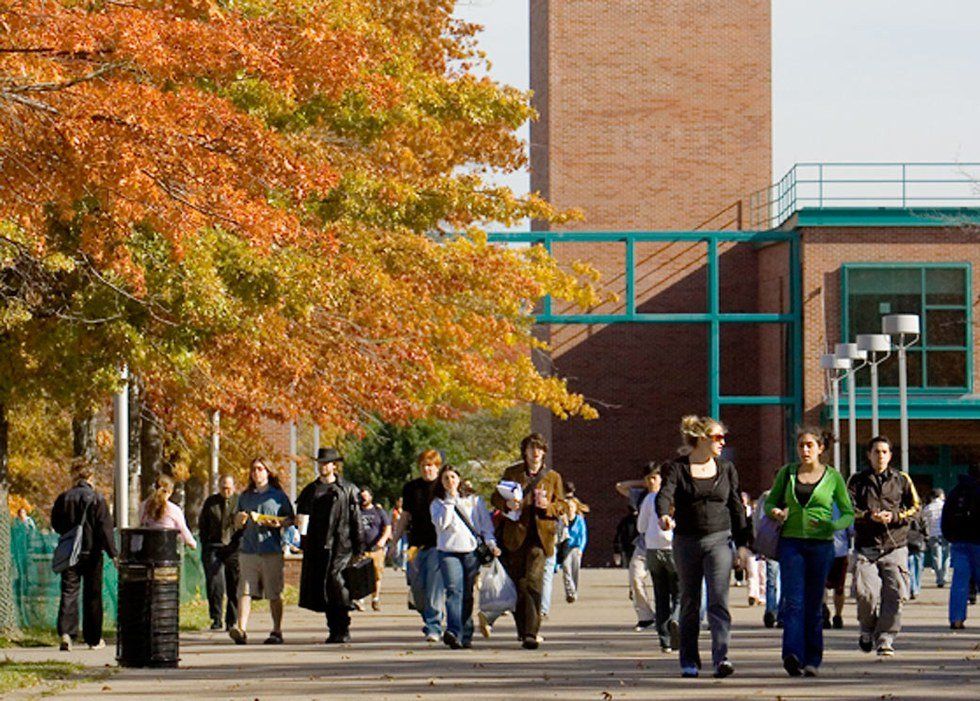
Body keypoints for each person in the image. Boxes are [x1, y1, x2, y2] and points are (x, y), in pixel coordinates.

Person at [656, 415, 752, 679]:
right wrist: (664, 515)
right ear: (702, 439)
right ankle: (689, 660)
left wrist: (743, 545)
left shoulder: (727, 469)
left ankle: (721, 657)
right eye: (718, 437)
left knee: (718, 600)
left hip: (719, 540)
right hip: (686, 541)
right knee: (690, 601)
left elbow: (736, 507)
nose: (723, 442)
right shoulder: (677, 468)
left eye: (723, 437)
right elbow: (665, 494)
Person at [766, 428, 854, 677]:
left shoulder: (833, 477)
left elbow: (848, 513)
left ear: (820, 448)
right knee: (793, 602)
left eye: (809, 446)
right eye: (801, 445)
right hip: (791, 544)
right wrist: (775, 512)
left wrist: (833, 526)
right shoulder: (788, 473)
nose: (804, 450)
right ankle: (792, 655)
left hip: (821, 546)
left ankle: (813, 659)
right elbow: (771, 502)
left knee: (814, 604)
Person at [491, 432, 566, 650]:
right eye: (531, 448)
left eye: (539, 449)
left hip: (541, 537)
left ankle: (532, 632)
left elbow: (561, 505)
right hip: (515, 535)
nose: (535, 453)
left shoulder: (553, 477)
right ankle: (523, 630)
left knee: (534, 580)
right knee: (520, 584)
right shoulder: (512, 473)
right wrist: (508, 505)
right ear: (524, 452)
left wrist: (548, 507)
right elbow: (495, 497)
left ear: (544, 452)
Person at [848, 435, 920, 658]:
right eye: (876, 452)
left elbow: (916, 507)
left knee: (895, 593)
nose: (880, 456)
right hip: (866, 546)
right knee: (865, 592)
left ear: (890, 455)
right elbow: (847, 508)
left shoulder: (902, 479)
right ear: (868, 455)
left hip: (894, 545)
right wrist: (869, 516)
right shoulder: (857, 480)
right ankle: (867, 630)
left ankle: (885, 638)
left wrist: (896, 516)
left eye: (884, 452)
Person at [296, 447, 363, 643]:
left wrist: (359, 548)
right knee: (324, 588)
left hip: (342, 546)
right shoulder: (310, 490)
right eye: (321, 463)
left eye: (327, 463)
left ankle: (343, 626)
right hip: (318, 546)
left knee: (338, 584)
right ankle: (334, 628)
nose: (323, 466)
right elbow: (302, 518)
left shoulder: (348, 489)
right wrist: (302, 540)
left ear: (335, 465)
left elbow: (356, 519)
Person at [430, 465, 500, 649]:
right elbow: (442, 524)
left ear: (459, 479)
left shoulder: (474, 501)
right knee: (454, 591)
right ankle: (453, 631)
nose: (450, 481)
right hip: (448, 551)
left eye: (453, 477)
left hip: (470, 551)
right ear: (441, 482)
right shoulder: (438, 503)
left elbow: (485, 526)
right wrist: (450, 502)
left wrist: (491, 544)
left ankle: (466, 633)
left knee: (467, 593)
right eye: (446, 478)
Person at [51, 458, 117, 652]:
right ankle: (93, 638)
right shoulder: (97, 498)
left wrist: (69, 533)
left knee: (69, 591)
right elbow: (105, 529)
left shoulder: (64, 498)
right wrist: (113, 553)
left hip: (70, 552)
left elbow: (56, 523)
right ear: (90, 476)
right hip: (92, 552)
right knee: (93, 595)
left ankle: (66, 633)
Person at [229, 458, 294, 645]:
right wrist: (238, 520)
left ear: (268, 472)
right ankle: (241, 629)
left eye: (260, 469)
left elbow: (290, 519)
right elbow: (236, 522)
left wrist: (279, 522)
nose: (256, 473)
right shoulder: (245, 496)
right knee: (244, 590)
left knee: (274, 592)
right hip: (248, 549)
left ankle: (276, 630)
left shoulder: (278, 496)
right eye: (253, 469)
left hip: (271, 549)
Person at [393, 449, 445, 642]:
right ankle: (432, 618)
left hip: (438, 545)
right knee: (417, 589)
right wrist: (394, 541)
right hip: (415, 546)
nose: (426, 469)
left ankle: (433, 626)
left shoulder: (443, 486)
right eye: (423, 466)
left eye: (430, 466)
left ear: (437, 467)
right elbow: (405, 517)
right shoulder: (411, 488)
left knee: (433, 587)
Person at [637, 462, 680, 652]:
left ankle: (665, 639)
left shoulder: (649, 499)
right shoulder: (675, 498)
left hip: (653, 549)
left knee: (661, 595)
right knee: (678, 593)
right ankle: (676, 620)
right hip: (672, 548)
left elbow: (640, 527)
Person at [198, 474, 240, 631]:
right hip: (214, 546)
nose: (226, 491)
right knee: (216, 583)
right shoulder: (211, 503)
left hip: (233, 548)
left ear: (233, 487)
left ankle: (232, 620)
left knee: (234, 584)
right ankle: (216, 618)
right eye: (223, 488)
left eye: (229, 488)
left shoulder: (239, 502)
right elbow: (203, 525)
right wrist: (206, 543)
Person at [942, 462, 980, 629]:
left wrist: (951, 536)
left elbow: (946, 516)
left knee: (960, 581)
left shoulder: (956, 491)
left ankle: (956, 619)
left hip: (960, 542)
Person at [139, 474, 197, 549]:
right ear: (170, 491)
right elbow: (183, 531)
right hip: (167, 552)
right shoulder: (174, 510)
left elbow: (141, 523)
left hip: (147, 551)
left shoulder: (143, 506)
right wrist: (193, 544)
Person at [358, 486, 391, 611]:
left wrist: (382, 540)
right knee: (361, 575)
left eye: (366, 496)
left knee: (376, 575)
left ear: (371, 497)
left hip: (376, 549)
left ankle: (375, 598)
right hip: (361, 549)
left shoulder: (378, 512)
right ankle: (360, 600)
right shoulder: (356, 511)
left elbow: (387, 527)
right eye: (362, 497)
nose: (364, 499)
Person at [560, 483, 589, 604]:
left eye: (572, 507)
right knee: (566, 569)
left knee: (575, 571)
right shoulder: (563, 519)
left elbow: (583, 536)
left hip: (576, 548)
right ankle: (570, 592)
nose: (570, 510)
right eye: (568, 508)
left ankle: (574, 591)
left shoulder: (580, 520)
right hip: (566, 547)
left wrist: (581, 549)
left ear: (576, 508)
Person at [924, 488, 950, 587]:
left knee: (936, 557)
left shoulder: (928, 508)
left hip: (933, 534)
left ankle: (939, 579)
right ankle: (945, 575)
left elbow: (924, 521)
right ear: (940, 495)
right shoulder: (945, 506)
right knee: (946, 556)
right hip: (945, 533)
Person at [906, 507, 927, 600]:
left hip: (907, 542)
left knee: (910, 566)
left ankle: (913, 588)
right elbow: (925, 527)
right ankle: (916, 588)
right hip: (919, 543)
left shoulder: (903, 513)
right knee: (918, 566)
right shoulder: (920, 513)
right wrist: (926, 538)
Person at [388, 497, 408, 571]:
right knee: (397, 550)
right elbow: (389, 523)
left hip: (405, 533)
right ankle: (395, 562)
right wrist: (389, 533)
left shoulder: (405, 511)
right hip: (396, 533)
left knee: (405, 549)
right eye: (399, 501)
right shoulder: (393, 511)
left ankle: (404, 565)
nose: (400, 503)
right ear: (396, 502)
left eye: (402, 501)